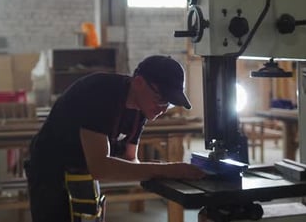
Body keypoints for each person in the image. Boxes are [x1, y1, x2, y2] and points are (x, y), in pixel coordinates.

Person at [25, 55, 206, 222]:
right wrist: (168, 170)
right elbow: (101, 168)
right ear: (139, 82)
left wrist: (168, 172)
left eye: (168, 102)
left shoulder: (140, 110)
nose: (163, 108)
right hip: (50, 169)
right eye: (160, 99)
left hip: (82, 170)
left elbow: (130, 158)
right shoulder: (100, 93)